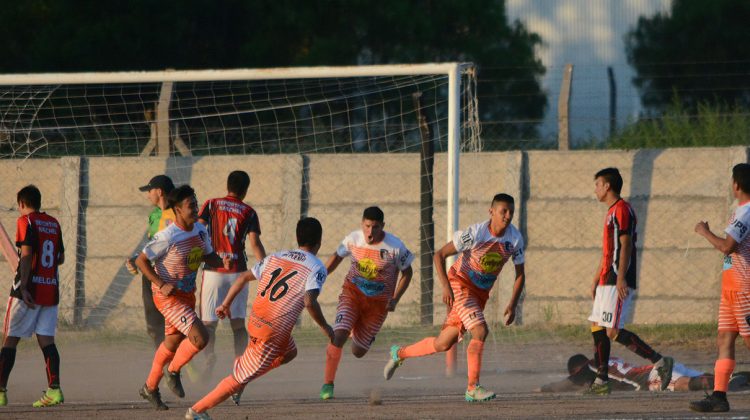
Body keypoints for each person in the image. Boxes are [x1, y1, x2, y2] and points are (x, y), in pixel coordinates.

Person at [185, 217, 333, 420]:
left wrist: (225, 304)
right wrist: (326, 328)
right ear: (319, 242)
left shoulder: (276, 257)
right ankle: (196, 411)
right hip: (271, 332)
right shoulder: (317, 267)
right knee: (237, 379)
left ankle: (246, 373)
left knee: (289, 352)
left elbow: (243, 277)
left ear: (297, 237)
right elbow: (309, 301)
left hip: (256, 322)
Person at [384, 193, 525, 402]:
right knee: (480, 330)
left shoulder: (514, 239)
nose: (507, 216)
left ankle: (399, 354)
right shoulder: (475, 233)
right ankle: (472, 388)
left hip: (479, 294)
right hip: (460, 283)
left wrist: (513, 303)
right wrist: (446, 287)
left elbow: (520, 274)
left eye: (511, 212)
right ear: (491, 211)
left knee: (443, 344)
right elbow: (439, 255)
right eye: (503, 211)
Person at [135, 185, 229, 410]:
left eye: (196, 203)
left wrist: (221, 261)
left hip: (187, 296)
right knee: (200, 337)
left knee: (172, 342)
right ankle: (173, 371)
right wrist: (160, 283)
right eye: (190, 206)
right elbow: (141, 261)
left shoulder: (199, 230)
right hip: (167, 298)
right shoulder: (168, 236)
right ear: (177, 209)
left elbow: (208, 255)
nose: (195, 208)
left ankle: (149, 388)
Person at [586, 167, 673, 395]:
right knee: (597, 325)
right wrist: (596, 278)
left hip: (617, 277)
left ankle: (659, 361)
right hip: (607, 277)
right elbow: (608, 250)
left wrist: (621, 277)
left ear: (607, 186)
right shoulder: (611, 211)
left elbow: (625, 245)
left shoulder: (622, 210)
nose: (595, 189)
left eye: (597, 184)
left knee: (613, 331)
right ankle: (601, 380)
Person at [319, 206, 414, 400]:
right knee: (338, 336)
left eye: (375, 227)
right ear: (362, 224)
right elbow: (337, 256)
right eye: (367, 226)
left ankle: (358, 333)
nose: (370, 232)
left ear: (383, 227)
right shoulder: (353, 239)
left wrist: (395, 299)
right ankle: (328, 384)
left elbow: (408, 272)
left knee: (358, 351)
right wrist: (320, 277)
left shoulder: (395, 246)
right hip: (352, 294)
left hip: (378, 305)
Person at [197, 170, 266, 404]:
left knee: (209, 324)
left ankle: (209, 356)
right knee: (238, 326)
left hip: (215, 271)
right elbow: (255, 242)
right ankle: (240, 370)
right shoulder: (249, 211)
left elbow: (198, 231)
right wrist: (267, 268)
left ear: (227, 185)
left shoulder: (211, 204)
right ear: (245, 190)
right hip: (238, 271)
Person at [689, 163, 750, 413]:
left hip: (744, 289)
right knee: (724, 338)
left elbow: (728, 247)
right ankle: (719, 396)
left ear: (736, 184)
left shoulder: (747, 212)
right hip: (730, 290)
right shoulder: (740, 210)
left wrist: (705, 232)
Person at [0, 185, 65, 407]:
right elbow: (61, 257)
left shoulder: (25, 222)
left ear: (22, 204)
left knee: (10, 339)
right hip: (50, 290)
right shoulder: (54, 223)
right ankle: (54, 390)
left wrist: (24, 287)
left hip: (28, 292)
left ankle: (0, 391)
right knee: (47, 341)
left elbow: (26, 256)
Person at [125, 174, 176, 349]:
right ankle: (164, 365)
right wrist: (135, 259)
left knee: (175, 323)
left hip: (171, 274)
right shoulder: (154, 215)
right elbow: (152, 244)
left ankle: (181, 364)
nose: (147, 195)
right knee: (153, 325)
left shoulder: (179, 213)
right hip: (151, 274)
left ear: (159, 191)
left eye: (149, 190)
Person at [538, 353, 734, 393]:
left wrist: (541, 389)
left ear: (577, 370)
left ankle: (725, 385)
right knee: (707, 377)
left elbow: (563, 384)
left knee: (685, 385)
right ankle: (736, 378)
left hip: (651, 378)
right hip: (657, 369)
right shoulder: (606, 360)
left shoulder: (589, 369)